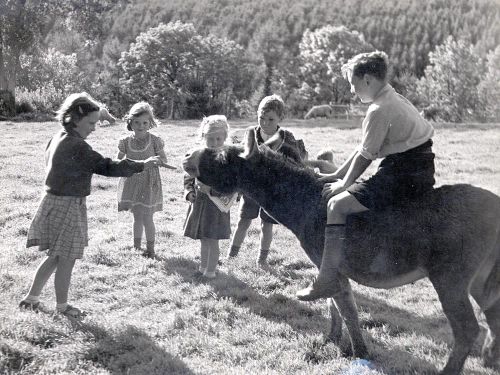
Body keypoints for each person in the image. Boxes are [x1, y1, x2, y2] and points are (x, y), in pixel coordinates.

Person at [296, 51, 435, 301]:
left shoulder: (379, 109)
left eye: (353, 83)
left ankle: (326, 279)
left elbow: (366, 156)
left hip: (403, 173)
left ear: (368, 79)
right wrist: (339, 174)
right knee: (344, 192)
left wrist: (343, 186)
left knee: (336, 205)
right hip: (416, 168)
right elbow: (364, 147)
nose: (352, 90)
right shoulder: (393, 98)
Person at [19, 92, 160, 317]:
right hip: (68, 205)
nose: (94, 128)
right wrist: (142, 164)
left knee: (56, 255)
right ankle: (63, 307)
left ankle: (31, 298)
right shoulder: (77, 146)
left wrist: (102, 113)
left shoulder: (58, 137)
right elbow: (106, 166)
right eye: (91, 123)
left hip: (53, 201)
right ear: (75, 119)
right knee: (67, 258)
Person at [226, 94, 306, 267]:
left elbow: (297, 163)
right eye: (261, 118)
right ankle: (231, 255)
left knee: (267, 225)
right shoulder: (251, 134)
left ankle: (261, 260)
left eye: (270, 119)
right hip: (251, 189)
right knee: (243, 221)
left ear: (280, 118)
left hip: (273, 191)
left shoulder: (286, 137)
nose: (265, 123)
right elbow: (241, 159)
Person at [183, 115, 233, 279]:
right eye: (210, 138)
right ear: (203, 137)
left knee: (213, 238)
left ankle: (211, 271)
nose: (214, 143)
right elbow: (189, 176)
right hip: (200, 205)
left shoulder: (227, 160)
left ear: (225, 138)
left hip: (216, 207)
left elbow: (230, 186)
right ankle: (202, 267)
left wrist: (211, 189)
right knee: (204, 238)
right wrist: (189, 191)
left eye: (218, 139)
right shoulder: (198, 155)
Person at [117, 102, 169, 258]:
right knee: (136, 215)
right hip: (132, 181)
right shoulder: (125, 141)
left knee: (147, 216)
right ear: (130, 122)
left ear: (150, 123)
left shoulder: (154, 140)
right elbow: (117, 160)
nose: (141, 126)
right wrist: (121, 163)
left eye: (145, 123)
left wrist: (157, 159)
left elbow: (164, 159)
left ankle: (151, 249)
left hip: (149, 183)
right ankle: (136, 246)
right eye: (137, 122)